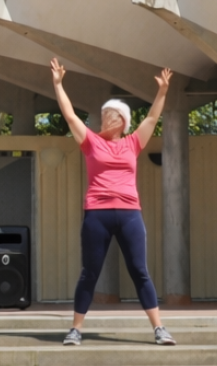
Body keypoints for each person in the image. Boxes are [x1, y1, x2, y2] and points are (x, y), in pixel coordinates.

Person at [50, 57, 177, 348]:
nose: (104, 117)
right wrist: (58, 85)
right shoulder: (91, 142)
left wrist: (162, 92)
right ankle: (76, 330)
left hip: (130, 213)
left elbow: (152, 119)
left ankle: (159, 329)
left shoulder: (132, 142)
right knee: (90, 272)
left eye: (111, 114)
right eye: (104, 113)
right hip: (97, 213)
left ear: (122, 121)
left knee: (139, 271)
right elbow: (70, 116)